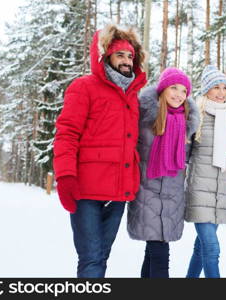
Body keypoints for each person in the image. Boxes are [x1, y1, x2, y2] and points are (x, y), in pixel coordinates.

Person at [53, 24, 147, 278]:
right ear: (106, 56)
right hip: (86, 191)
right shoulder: (84, 87)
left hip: (118, 193)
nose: (127, 61)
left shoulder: (134, 95)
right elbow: (67, 133)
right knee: (91, 258)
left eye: (130, 56)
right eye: (120, 55)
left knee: (101, 257)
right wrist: (65, 176)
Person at [127, 67, 199, 278]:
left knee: (153, 252)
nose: (178, 94)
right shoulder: (144, 118)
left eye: (183, 91)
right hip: (147, 192)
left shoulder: (188, 125)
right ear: (162, 89)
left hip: (173, 196)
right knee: (159, 253)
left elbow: (191, 158)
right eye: (173, 88)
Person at [184, 65, 226, 278]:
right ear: (206, 89)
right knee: (212, 249)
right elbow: (183, 155)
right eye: (216, 87)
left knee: (202, 248)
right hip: (200, 190)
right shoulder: (196, 117)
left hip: (221, 193)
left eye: (225, 88)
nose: (221, 93)